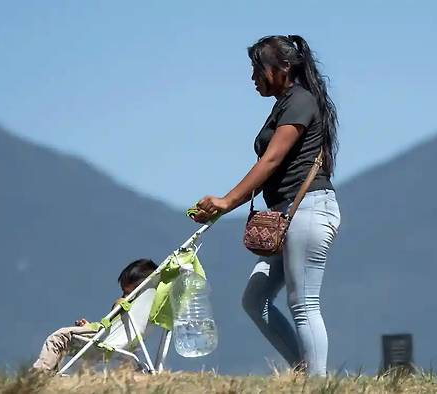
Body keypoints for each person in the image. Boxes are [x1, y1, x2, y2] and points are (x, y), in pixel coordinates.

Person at [192, 35, 341, 376]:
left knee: (303, 304)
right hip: (288, 215)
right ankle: (304, 372)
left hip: (307, 210)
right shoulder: (287, 102)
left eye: (258, 68)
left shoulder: (300, 100)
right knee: (255, 300)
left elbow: (272, 159)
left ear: (284, 67)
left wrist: (227, 201)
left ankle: (318, 385)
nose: (253, 77)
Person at [32, 258, 157, 373]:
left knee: (58, 338)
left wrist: (117, 306)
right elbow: (115, 326)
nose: (124, 296)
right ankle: (50, 375)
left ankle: (40, 374)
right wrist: (89, 326)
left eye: (127, 292)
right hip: (123, 345)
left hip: (104, 338)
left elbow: (107, 328)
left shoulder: (125, 306)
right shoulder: (147, 313)